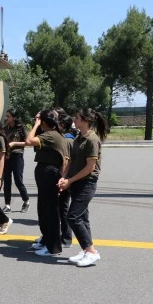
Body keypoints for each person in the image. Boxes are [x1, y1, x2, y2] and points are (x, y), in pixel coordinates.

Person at [58, 108, 108, 267]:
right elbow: (72, 160)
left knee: (73, 216)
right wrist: (64, 177)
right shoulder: (79, 137)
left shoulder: (92, 140)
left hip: (87, 183)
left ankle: (91, 251)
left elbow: (90, 168)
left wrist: (70, 180)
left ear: (85, 121)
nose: (75, 119)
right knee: (83, 217)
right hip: (76, 182)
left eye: (78, 117)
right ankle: (86, 250)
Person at [25, 109, 69, 257]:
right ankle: (48, 241)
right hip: (47, 173)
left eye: (40, 121)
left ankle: (53, 247)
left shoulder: (50, 135)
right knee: (45, 210)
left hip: (49, 173)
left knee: (50, 212)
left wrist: (36, 125)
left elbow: (29, 140)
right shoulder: (54, 134)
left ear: (44, 122)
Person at [3, 108, 30, 213]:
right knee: (7, 181)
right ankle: (7, 204)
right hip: (7, 156)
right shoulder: (4, 128)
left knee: (18, 180)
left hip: (17, 155)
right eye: (7, 116)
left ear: (14, 117)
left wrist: (15, 144)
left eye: (9, 116)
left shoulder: (20, 129)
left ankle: (26, 201)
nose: (7, 118)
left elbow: (27, 143)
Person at [56, 110, 75, 247]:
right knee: (59, 208)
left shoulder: (67, 140)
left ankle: (67, 238)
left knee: (63, 209)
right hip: (63, 178)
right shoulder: (66, 138)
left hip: (64, 179)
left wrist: (62, 178)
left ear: (62, 125)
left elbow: (66, 161)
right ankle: (59, 234)